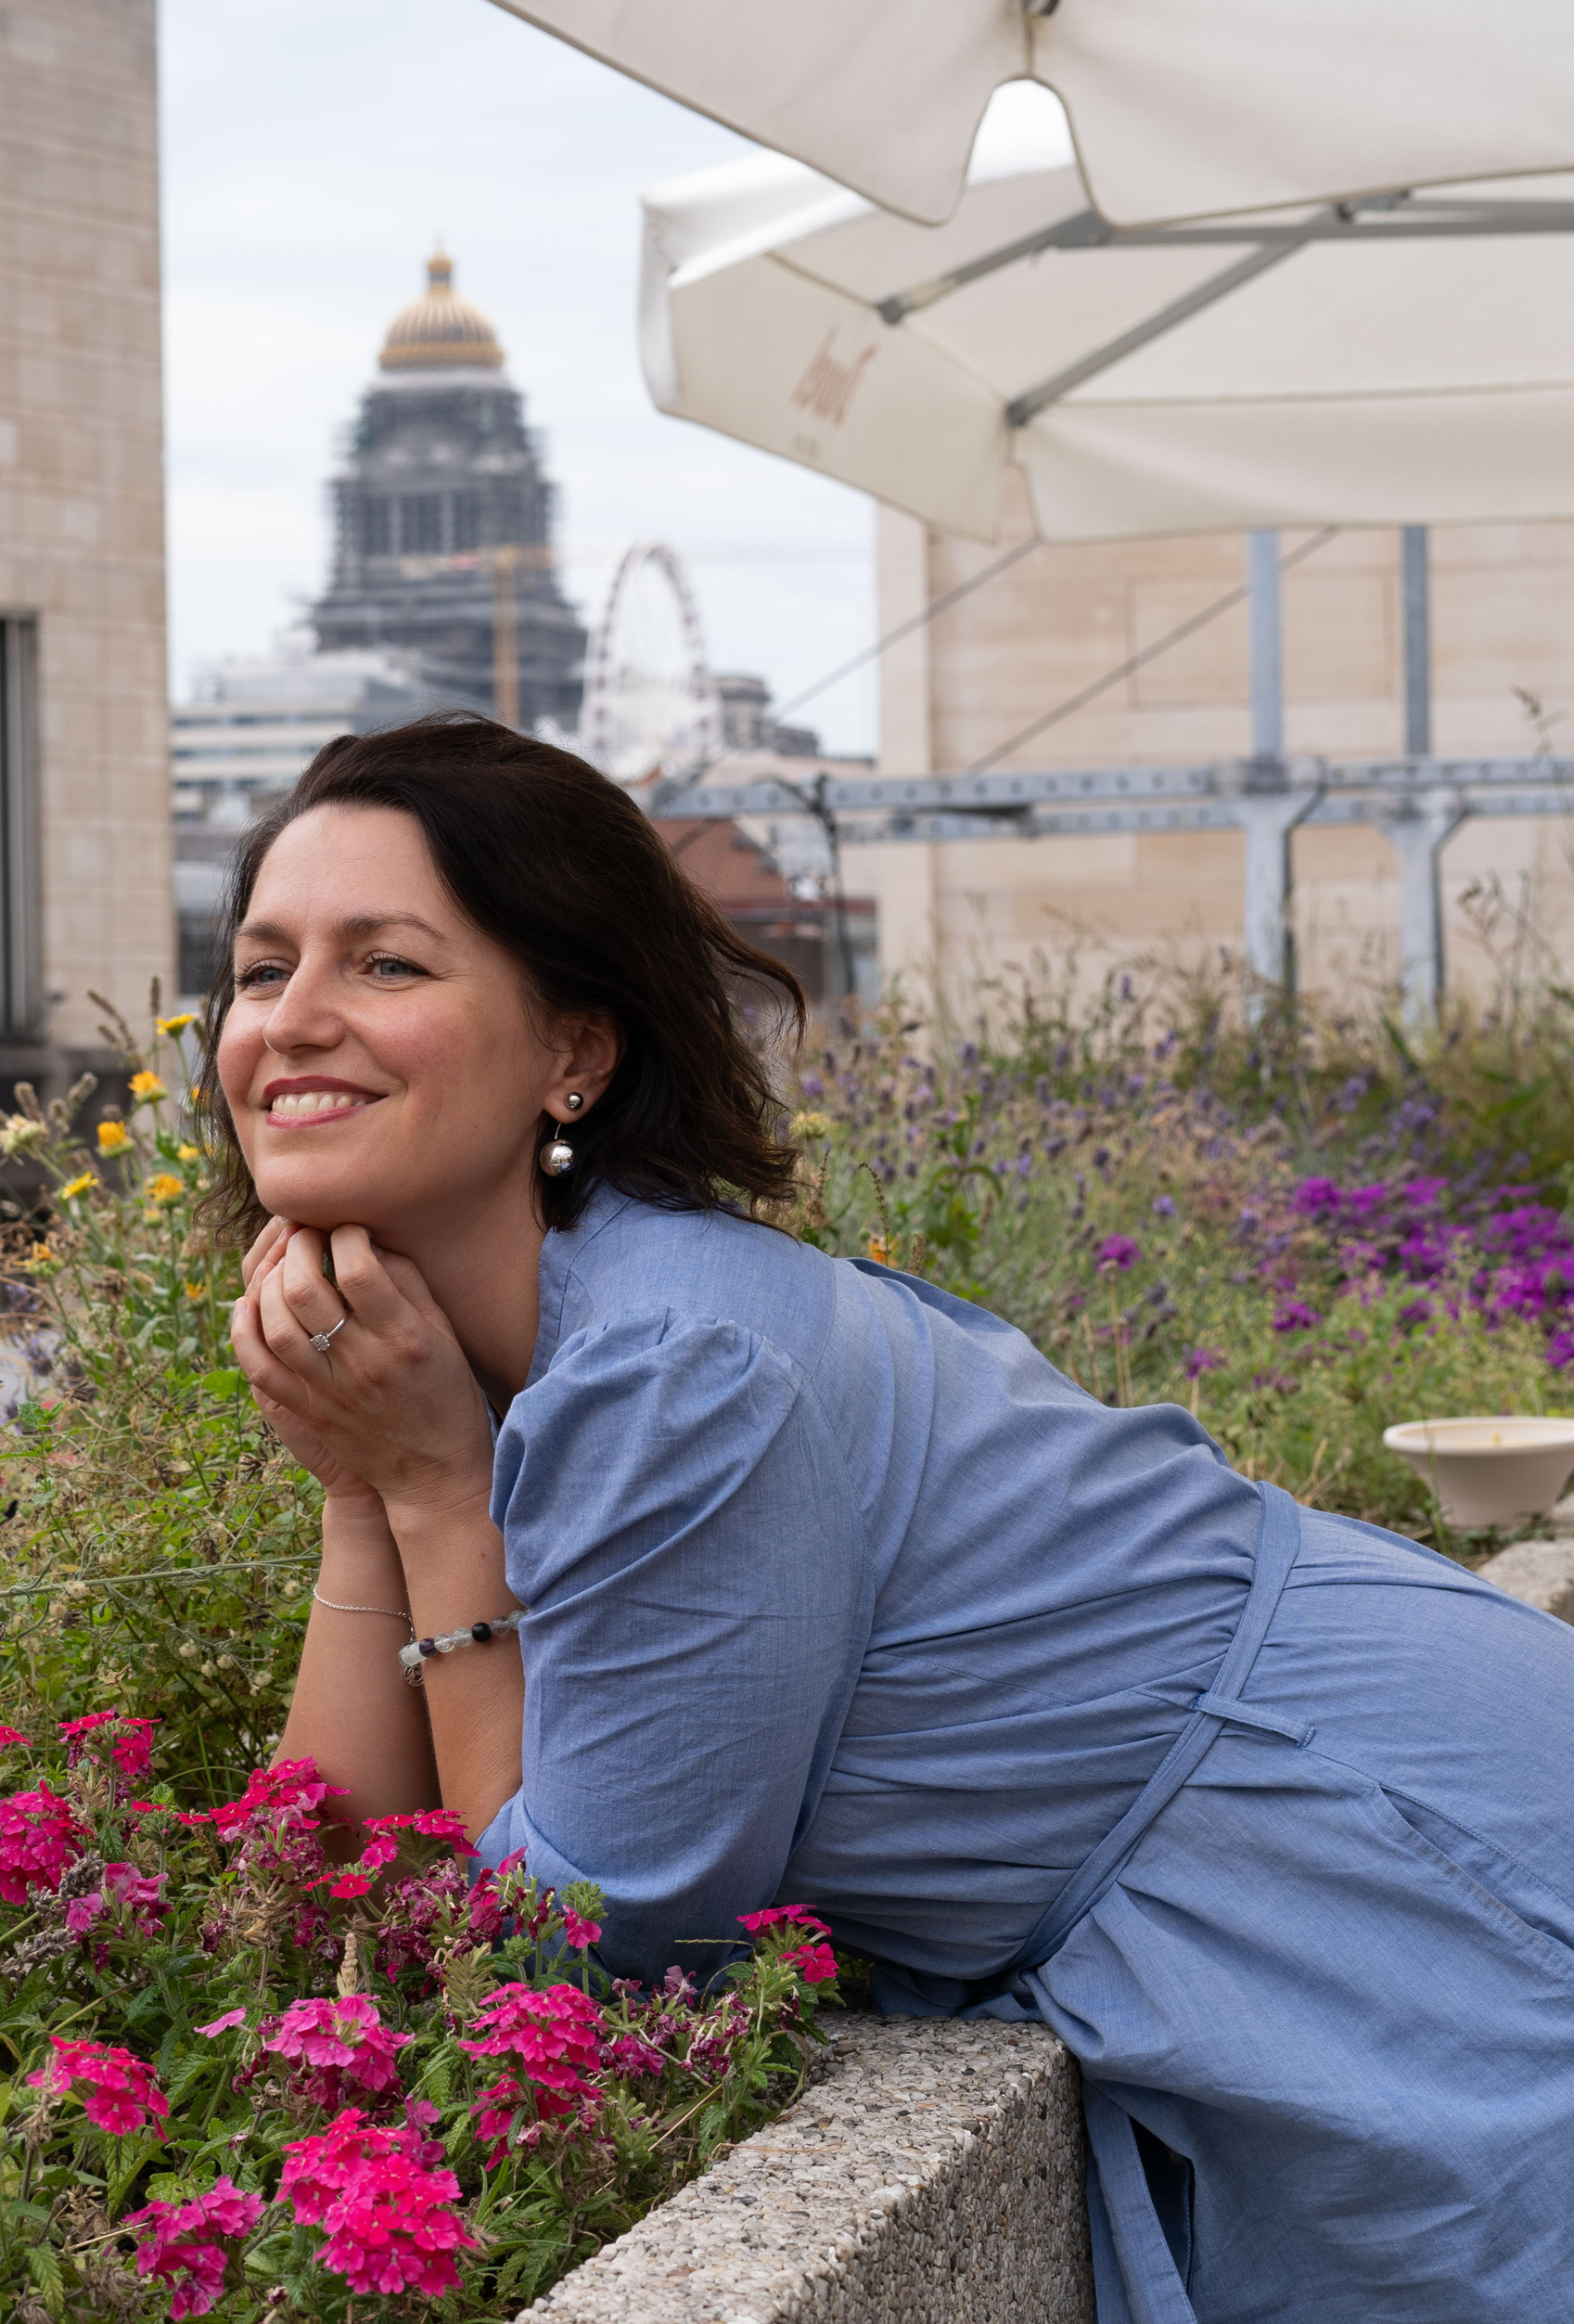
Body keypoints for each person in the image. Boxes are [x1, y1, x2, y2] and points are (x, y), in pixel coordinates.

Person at [203, 713, 1574, 2324]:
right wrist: (369, 1475)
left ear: (576, 1045)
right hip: (1291, 1862)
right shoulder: (510, 1351)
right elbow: (322, 1882)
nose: (291, 1021)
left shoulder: (673, 1368)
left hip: (1383, 1865)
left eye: (385, 965)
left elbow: (582, 1949)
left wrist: (435, 1488)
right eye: (260, 969)